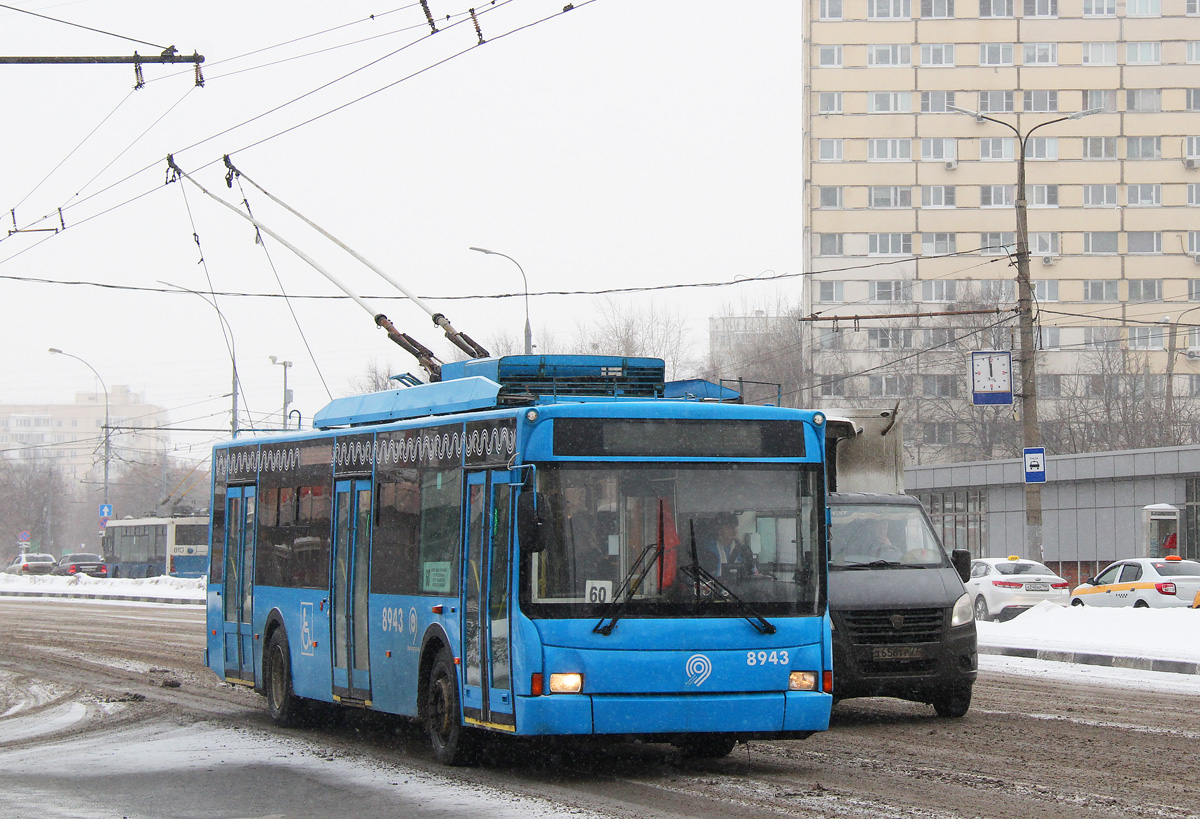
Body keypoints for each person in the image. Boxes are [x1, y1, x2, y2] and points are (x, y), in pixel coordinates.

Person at [698, 512, 749, 577]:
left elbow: (751, 574)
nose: (735, 530)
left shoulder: (743, 550)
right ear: (719, 530)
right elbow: (703, 576)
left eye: (735, 527)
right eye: (730, 527)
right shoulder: (707, 551)